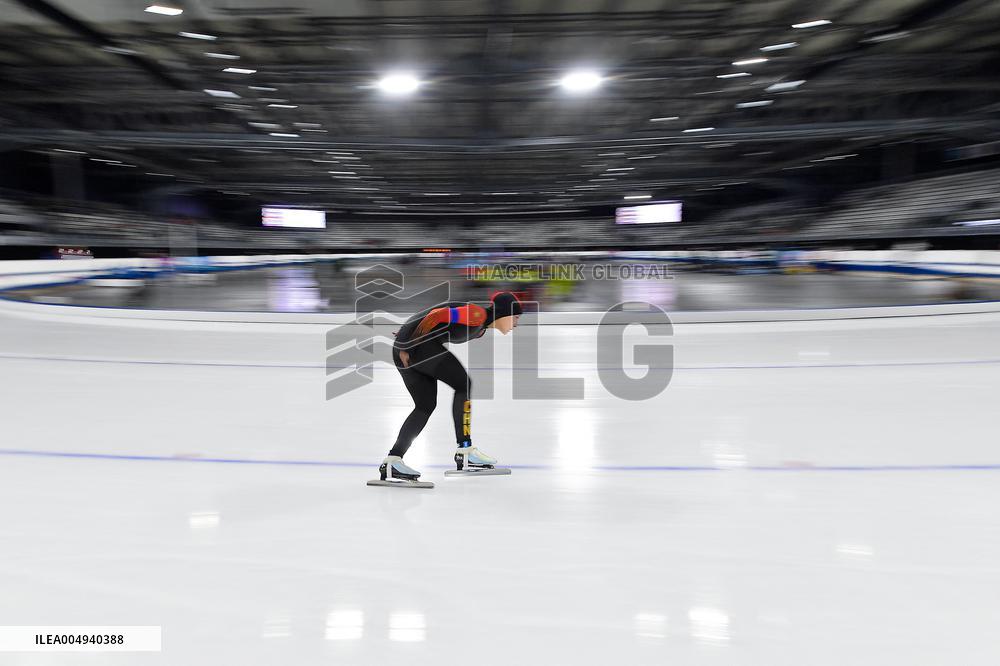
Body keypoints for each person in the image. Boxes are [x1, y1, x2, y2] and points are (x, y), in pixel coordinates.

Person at [377, 291, 523, 485]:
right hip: (414, 349)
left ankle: (393, 460)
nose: (516, 323)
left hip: (410, 349)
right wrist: (406, 342)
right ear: (505, 313)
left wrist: (405, 339)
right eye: (515, 317)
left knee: (425, 406)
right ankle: (465, 450)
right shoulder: (477, 315)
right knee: (464, 384)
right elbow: (435, 315)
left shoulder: (480, 329)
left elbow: (433, 317)